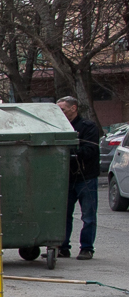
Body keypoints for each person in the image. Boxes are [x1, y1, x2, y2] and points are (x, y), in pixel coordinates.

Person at [58, 95, 102, 260]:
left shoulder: (88, 127)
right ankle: (62, 247)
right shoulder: (59, 126)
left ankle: (87, 248)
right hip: (66, 178)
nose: (60, 112)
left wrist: (68, 153)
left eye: (62, 109)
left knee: (88, 216)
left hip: (86, 177)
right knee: (63, 215)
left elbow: (90, 151)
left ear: (73, 108)